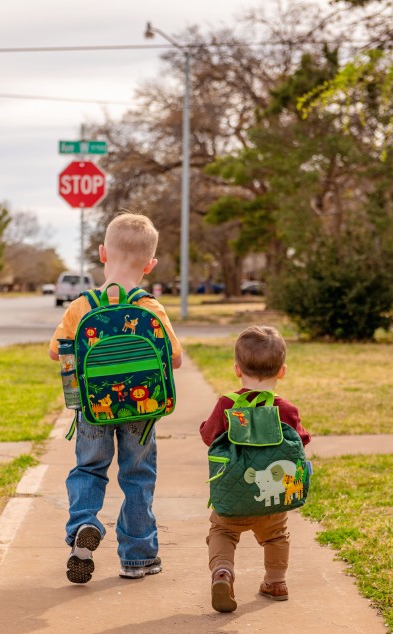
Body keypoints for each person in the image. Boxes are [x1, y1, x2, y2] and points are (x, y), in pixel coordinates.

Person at [49, 212, 183, 582]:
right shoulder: (149, 307)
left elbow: (55, 351)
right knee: (137, 475)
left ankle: (84, 524)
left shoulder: (81, 306)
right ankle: (138, 557)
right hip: (141, 410)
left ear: (102, 252)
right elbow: (175, 357)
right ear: (151, 264)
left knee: (89, 468)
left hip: (92, 407)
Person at [199, 325, 311, 612]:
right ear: (282, 371)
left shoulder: (227, 404)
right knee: (276, 535)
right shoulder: (285, 409)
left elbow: (209, 436)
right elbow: (302, 440)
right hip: (272, 498)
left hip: (232, 496)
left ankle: (222, 572)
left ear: (237, 369)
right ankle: (276, 582)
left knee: (222, 532)